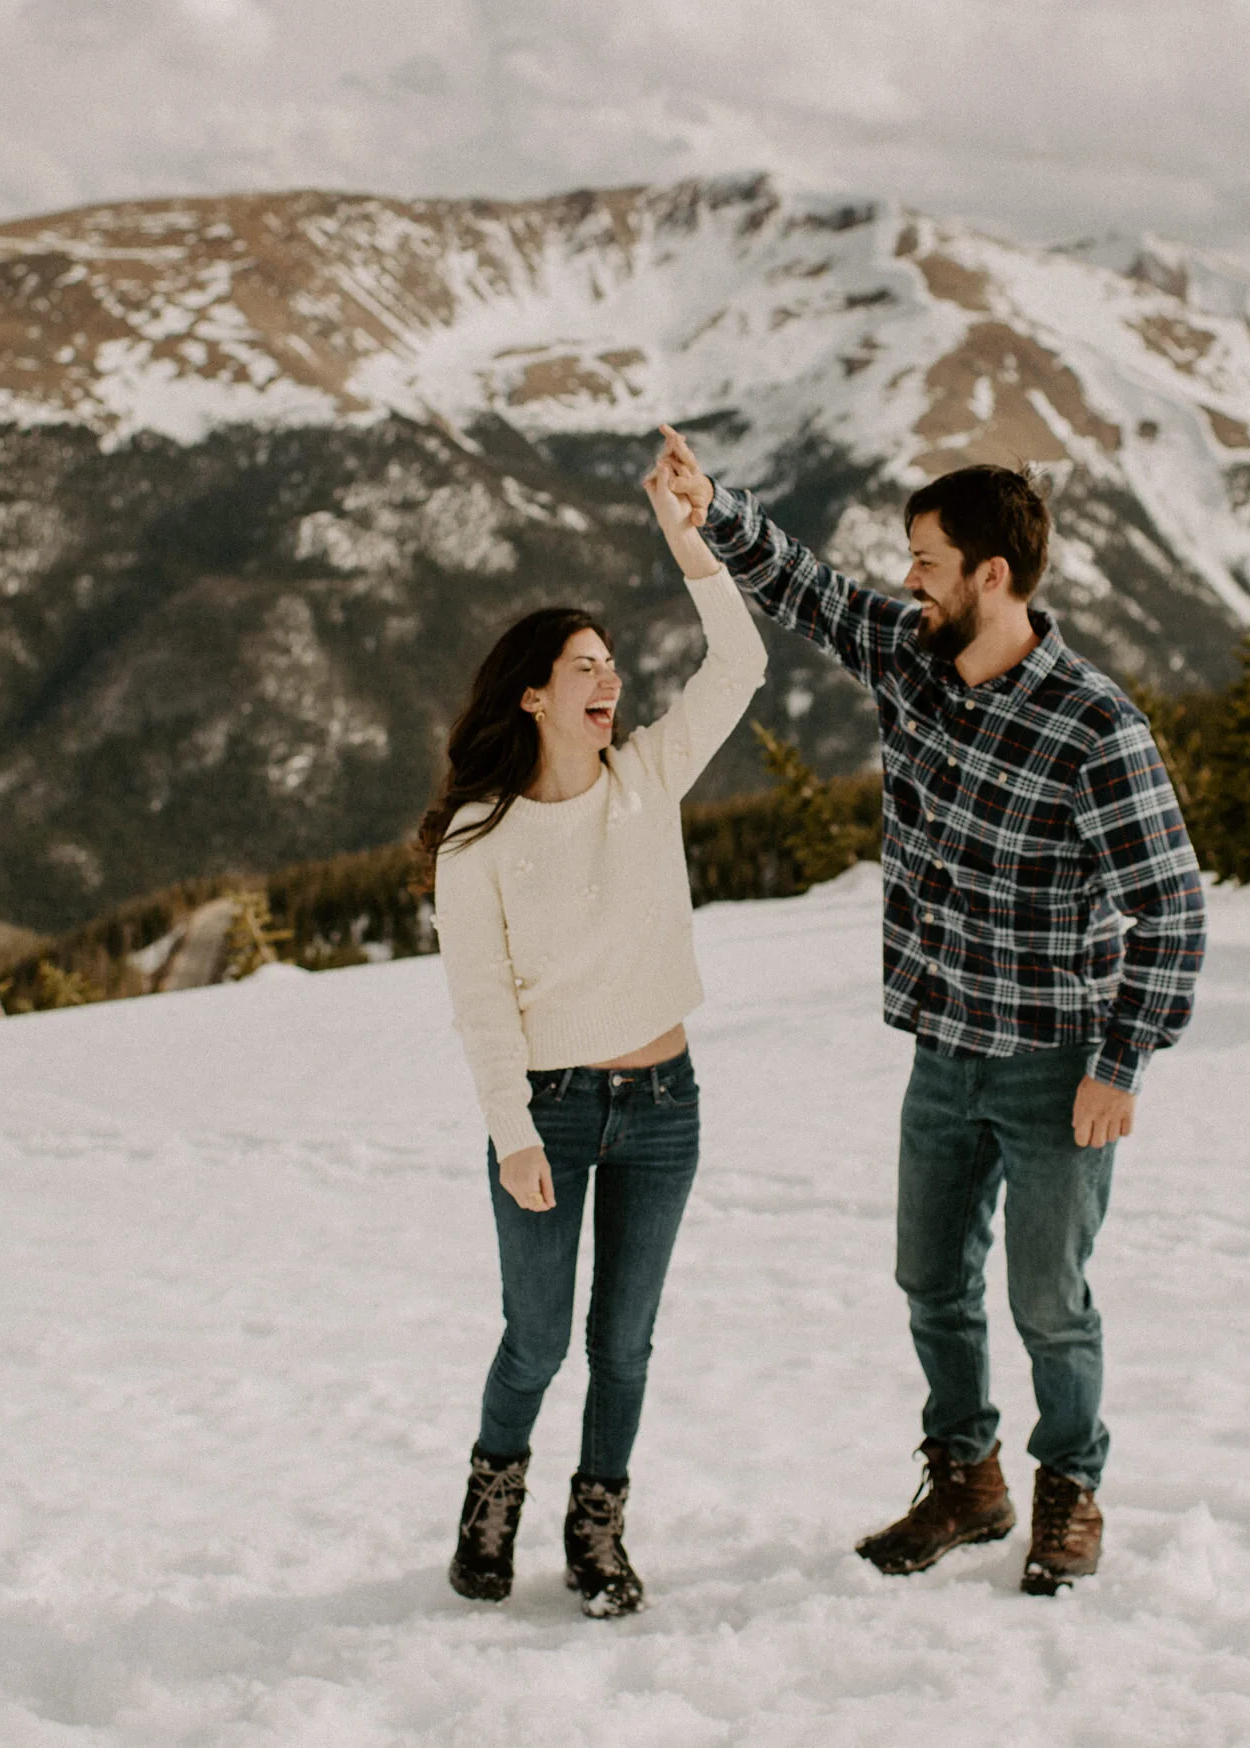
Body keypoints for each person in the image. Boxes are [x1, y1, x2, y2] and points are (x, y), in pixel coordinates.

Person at [652, 431, 1207, 1595]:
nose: (908, 577)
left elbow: (1170, 907)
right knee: (930, 1280)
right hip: (942, 1049)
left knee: (1049, 1299)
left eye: (927, 559)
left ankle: (1070, 1485)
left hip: (1056, 1062)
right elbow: (806, 588)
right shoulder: (909, 657)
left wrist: (1121, 1062)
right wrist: (711, 508)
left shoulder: (1093, 726)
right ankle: (968, 1480)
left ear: (991, 575)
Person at [422, 437, 767, 1617]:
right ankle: (491, 1500)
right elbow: (480, 1003)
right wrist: (512, 1131)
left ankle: (597, 1525)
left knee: (625, 1345)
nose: (608, 679)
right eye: (584, 665)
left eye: (613, 663)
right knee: (536, 1340)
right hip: (552, 1115)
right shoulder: (479, 838)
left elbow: (741, 659)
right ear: (533, 692)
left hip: (665, 1106)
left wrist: (690, 538)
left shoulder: (648, 776)